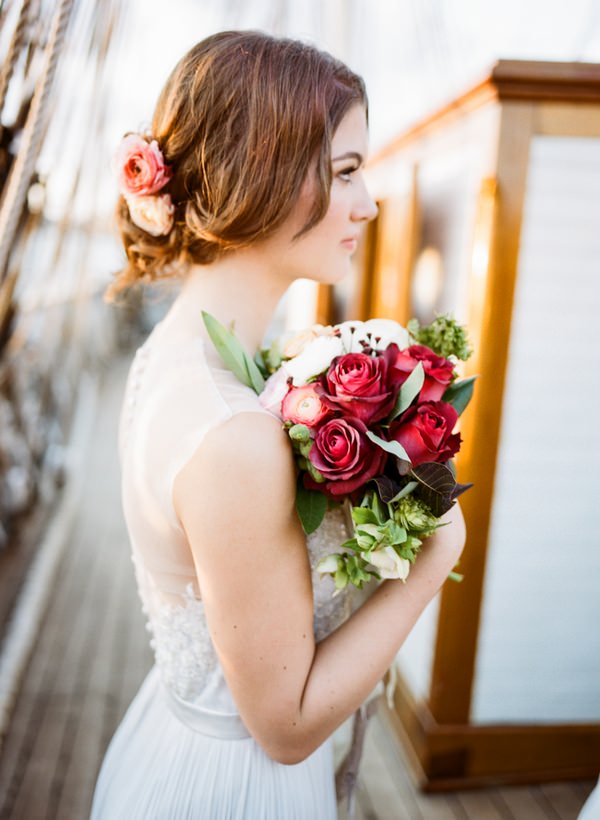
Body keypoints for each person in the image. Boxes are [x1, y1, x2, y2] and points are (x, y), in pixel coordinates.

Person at [90, 30, 466, 819]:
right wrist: (436, 554)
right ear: (258, 170)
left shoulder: (189, 359)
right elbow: (286, 725)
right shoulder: (235, 433)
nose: (370, 202)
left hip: (180, 737)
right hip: (233, 789)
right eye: (347, 172)